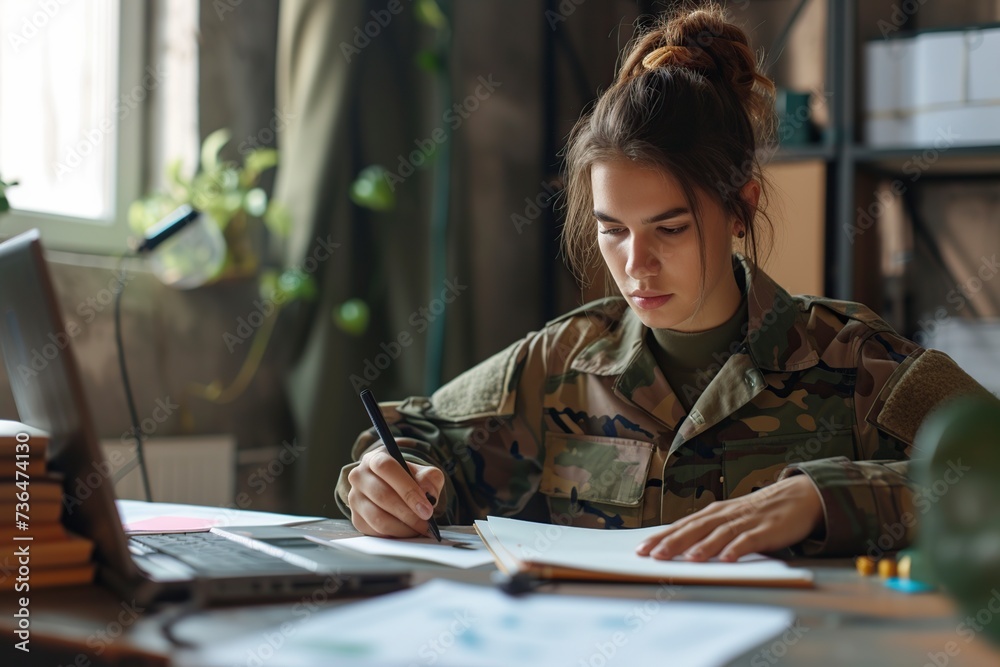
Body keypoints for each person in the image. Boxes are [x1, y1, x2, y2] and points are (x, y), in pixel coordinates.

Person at [335, 3, 988, 561]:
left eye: (669, 229)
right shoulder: (558, 364)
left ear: (741, 206)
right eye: (612, 229)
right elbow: (414, 433)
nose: (635, 264)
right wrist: (381, 480)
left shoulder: (852, 361)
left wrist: (824, 496)